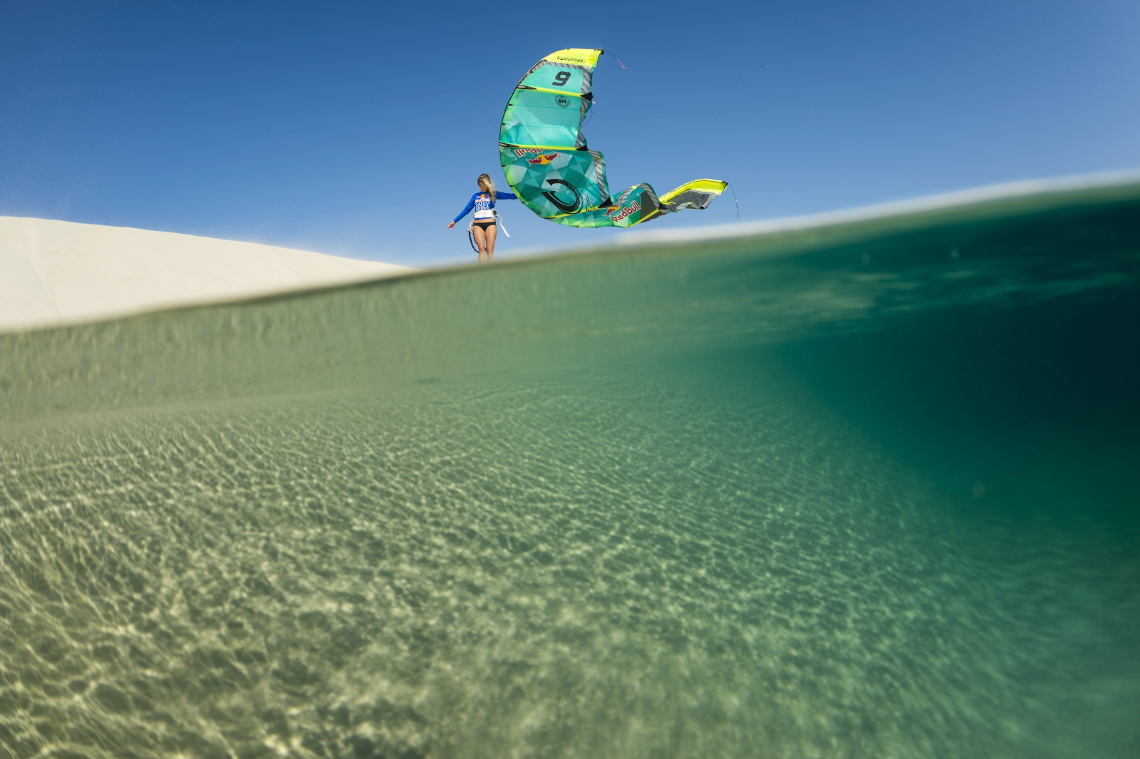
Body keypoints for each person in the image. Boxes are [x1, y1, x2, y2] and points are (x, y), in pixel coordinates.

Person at [448, 173, 517, 263]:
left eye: (483, 185)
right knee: (481, 247)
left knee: (489, 250)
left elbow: (511, 196)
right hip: (477, 224)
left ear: (488, 183)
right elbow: (466, 210)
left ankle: (491, 273)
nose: (482, 187)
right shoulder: (475, 196)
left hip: (490, 224)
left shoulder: (493, 194)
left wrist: (526, 196)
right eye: (480, 185)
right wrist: (454, 221)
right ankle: (482, 272)